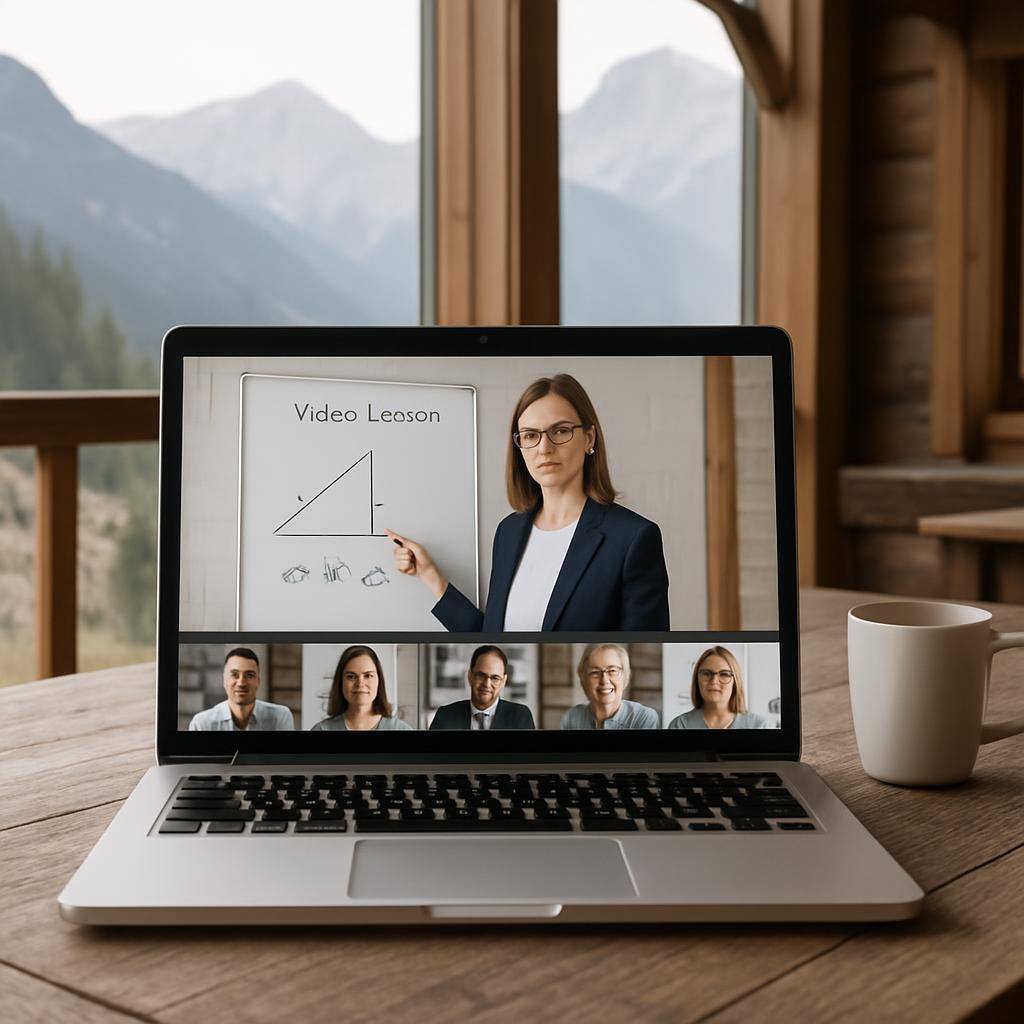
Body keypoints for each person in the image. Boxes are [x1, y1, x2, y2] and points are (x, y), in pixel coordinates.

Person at [386, 373, 669, 632]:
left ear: (589, 438)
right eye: (531, 435)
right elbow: (491, 639)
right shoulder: (509, 532)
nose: (544, 448)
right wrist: (430, 575)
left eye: (560, 431)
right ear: (520, 447)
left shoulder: (632, 538)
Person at [429, 644, 536, 730]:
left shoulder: (520, 716)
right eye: (481, 675)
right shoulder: (445, 715)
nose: (487, 684)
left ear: (503, 681)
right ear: (470, 676)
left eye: (495, 678)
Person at [188, 648, 294, 731]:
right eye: (234, 675)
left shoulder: (280, 717)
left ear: (258, 681)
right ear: (224, 680)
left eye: (249, 675)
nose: (241, 683)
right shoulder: (202, 724)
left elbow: (288, 758)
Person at [311, 645, 412, 731]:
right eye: (351, 676)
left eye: (368, 675)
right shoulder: (321, 729)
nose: (360, 683)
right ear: (340, 682)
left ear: (379, 681)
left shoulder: (402, 730)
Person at [560, 643, 659, 730]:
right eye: (595, 672)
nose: (604, 680)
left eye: (612, 670)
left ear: (625, 676)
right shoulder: (571, 717)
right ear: (584, 679)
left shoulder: (643, 717)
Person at [667, 646, 769, 729]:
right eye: (707, 673)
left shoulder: (759, 726)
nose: (714, 681)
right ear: (697, 679)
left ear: (735, 681)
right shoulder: (680, 726)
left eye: (724, 674)